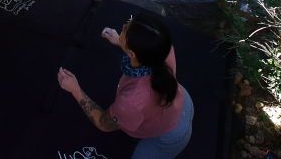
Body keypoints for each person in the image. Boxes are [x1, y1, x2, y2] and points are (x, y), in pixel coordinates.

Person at [57, 13, 195, 159]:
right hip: (184, 102)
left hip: (170, 135)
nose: (123, 26)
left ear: (132, 54)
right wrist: (121, 41)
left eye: (125, 31)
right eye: (129, 23)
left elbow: (104, 123)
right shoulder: (164, 48)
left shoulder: (131, 102)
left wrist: (75, 89)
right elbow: (145, 54)